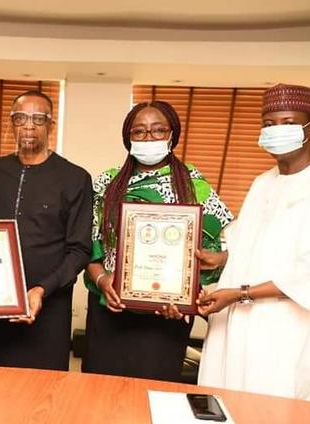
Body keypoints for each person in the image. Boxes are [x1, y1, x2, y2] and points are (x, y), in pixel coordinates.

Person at [196, 84, 310, 406]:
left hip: (287, 331)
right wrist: (222, 258)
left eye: (287, 122)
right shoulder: (263, 182)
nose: (276, 131)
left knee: (275, 411)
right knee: (230, 406)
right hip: (240, 325)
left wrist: (238, 294)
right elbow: (256, 246)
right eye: (269, 124)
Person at [82, 100, 233, 381]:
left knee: (153, 400)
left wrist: (188, 292)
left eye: (158, 130)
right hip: (110, 311)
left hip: (165, 318)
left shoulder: (193, 184)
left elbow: (222, 247)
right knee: (100, 397)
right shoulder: (106, 183)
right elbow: (90, 246)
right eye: (139, 132)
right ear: (128, 138)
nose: (148, 138)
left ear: (172, 134)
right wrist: (103, 281)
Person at [0, 90, 92, 371]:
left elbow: (79, 251)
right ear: (11, 123)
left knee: (42, 394)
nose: (29, 125)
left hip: (48, 306)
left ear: (50, 125)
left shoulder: (75, 178)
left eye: (38, 118)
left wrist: (42, 289)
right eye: (21, 118)